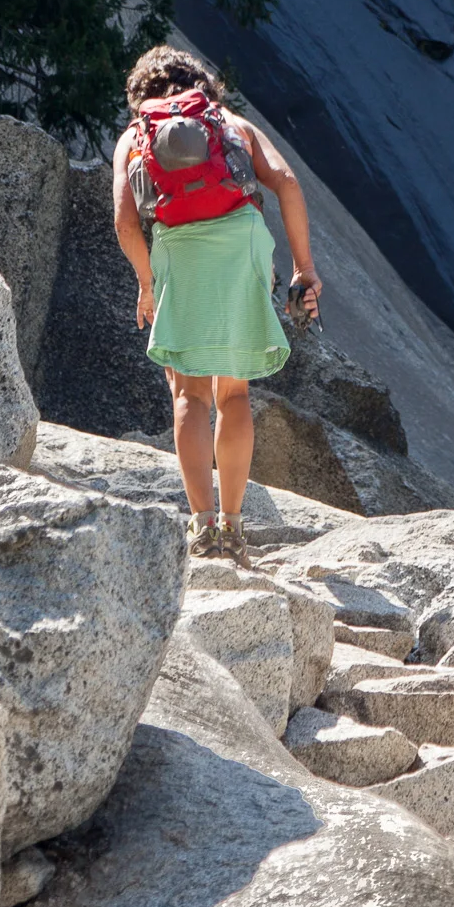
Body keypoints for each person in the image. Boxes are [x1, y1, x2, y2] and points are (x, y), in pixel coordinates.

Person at [112, 43, 323, 561]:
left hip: (180, 250)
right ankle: (233, 527)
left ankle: (202, 528)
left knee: (189, 395)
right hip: (240, 243)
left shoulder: (135, 135)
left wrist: (146, 282)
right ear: (202, 85)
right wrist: (303, 269)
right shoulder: (230, 123)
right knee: (233, 395)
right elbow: (287, 183)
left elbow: (123, 220)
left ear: (143, 95)